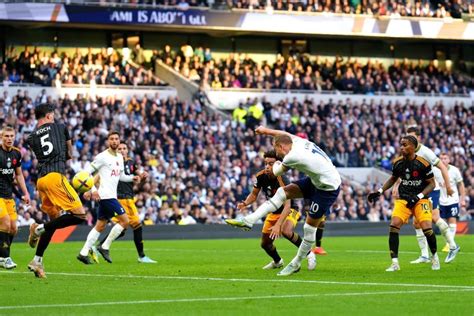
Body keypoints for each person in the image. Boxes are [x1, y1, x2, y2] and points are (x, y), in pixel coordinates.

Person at [226, 126, 341, 276]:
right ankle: (249, 220)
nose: (277, 154)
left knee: (309, 229)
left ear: (281, 147)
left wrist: (270, 167)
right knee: (282, 192)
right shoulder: (298, 141)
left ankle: (296, 263)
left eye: (276, 150)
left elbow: (275, 172)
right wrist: (266, 131)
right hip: (317, 180)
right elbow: (284, 134)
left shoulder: (292, 157)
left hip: (327, 188)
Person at [26, 103, 86, 278]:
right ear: (49, 115)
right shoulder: (60, 127)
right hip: (55, 177)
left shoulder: (31, 137)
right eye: (53, 114)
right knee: (79, 215)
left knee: (54, 221)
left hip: (41, 181)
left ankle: (37, 260)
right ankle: (37, 229)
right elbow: (69, 153)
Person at [230, 150, 316, 270]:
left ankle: (310, 254)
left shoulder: (283, 179)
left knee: (286, 231)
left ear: (278, 165)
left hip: (290, 209)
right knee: (265, 244)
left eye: (271, 164)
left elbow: (287, 206)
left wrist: (278, 225)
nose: (267, 166)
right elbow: (254, 195)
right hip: (274, 211)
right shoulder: (261, 176)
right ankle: (277, 262)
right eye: (266, 163)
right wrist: (245, 203)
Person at [368, 135, 439, 272]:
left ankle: (434, 257)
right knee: (394, 225)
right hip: (404, 199)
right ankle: (395, 263)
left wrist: (418, 196)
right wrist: (379, 191)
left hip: (421, 200)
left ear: (413, 147)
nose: (402, 147)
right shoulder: (398, 162)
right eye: (401, 144)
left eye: (405, 145)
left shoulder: (423, 163)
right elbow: (393, 178)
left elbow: (432, 184)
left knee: (426, 227)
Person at [77, 132, 146, 264]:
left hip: (110, 196)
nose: (114, 141)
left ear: (119, 141)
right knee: (125, 221)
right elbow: (87, 173)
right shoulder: (102, 156)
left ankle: (83, 252)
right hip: (106, 196)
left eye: (116, 139)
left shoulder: (120, 157)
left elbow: (120, 177)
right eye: (112, 139)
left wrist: (133, 178)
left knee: (100, 226)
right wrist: (93, 190)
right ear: (108, 141)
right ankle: (104, 247)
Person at [401, 126, 459, 264]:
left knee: (434, 217)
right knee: (416, 223)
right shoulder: (407, 152)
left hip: (431, 189)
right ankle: (425, 255)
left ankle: (453, 245)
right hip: (418, 190)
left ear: (419, 138)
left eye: (412, 137)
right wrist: (397, 185)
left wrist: (449, 187)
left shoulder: (426, 152)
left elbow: (443, 167)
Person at [92, 143, 156, 264]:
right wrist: (93, 189)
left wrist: (143, 177)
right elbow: (98, 176)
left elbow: (138, 182)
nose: (122, 150)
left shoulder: (131, 163)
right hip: (119, 199)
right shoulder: (111, 162)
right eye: (120, 148)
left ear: (127, 151)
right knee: (136, 225)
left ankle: (99, 247)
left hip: (129, 198)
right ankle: (141, 256)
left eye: (124, 148)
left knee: (121, 229)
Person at [0, 126, 30, 269]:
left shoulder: (16, 154)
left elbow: (18, 175)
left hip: (8, 195)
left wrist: (25, 193)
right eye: (6, 136)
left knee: (13, 228)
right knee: (5, 223)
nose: (9, 139)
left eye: (11, 136)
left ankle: (2, 255)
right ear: (1, 137)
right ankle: (5, 257)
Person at [438, 152, 465, 262]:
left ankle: (450, 245)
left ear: (449, 160)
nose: (443, 160)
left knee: (452, 221)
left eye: (445, 158)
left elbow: (461, 184)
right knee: (442, 224)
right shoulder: (436, 170)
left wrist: (462, 199)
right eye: (441, 158)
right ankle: (450, 244)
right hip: (441, 200)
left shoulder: (454, 170)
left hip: (453, 199)